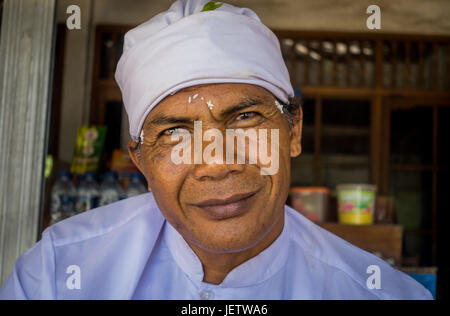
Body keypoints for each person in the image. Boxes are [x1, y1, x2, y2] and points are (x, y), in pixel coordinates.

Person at [0, 0, 432, 299]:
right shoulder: (57, 275)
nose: (217, 164)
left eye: (245, 118)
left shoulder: (378, 293)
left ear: (293, 130)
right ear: (140, 161)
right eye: (173, 133)